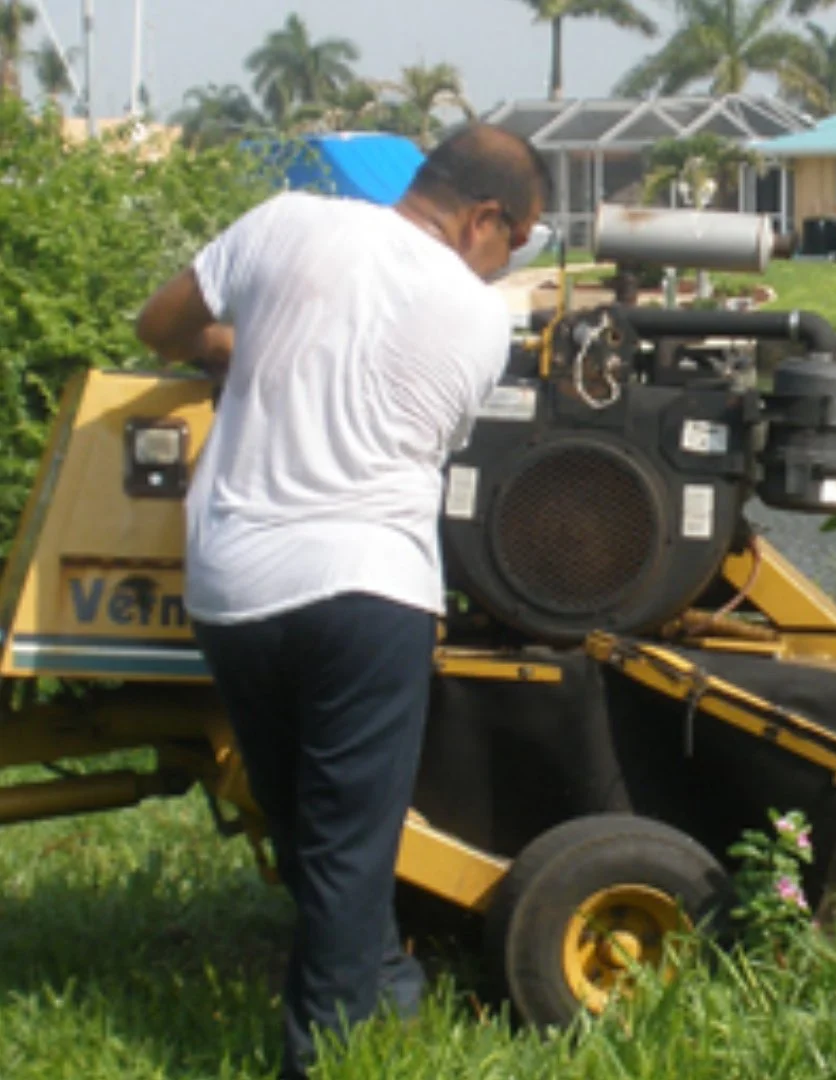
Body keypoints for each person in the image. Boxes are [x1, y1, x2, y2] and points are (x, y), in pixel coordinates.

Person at [134, 124, 550, 1079]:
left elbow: (159, 326)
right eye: (518, 240)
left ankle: (388, 991)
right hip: (370, 587)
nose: (509, 261)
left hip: (234, 584)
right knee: (347, 846)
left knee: (302, 822)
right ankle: (323, 1060)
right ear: (484, 218)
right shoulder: (484, 321)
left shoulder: (284, 223)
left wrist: (237, 347)